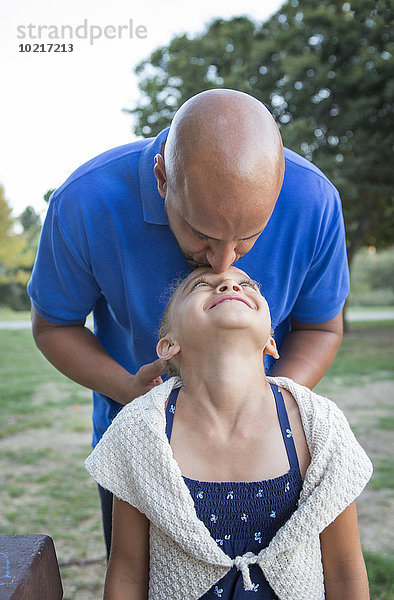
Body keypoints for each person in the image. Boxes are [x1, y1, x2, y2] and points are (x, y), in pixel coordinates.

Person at [28, 89, 350, 556]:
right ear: (162, 178)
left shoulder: (315, 201)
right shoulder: (84, 202)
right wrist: (126, 389)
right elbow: (54, 326)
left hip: (274, 452)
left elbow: (321, 328)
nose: (223, 266)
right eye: (202, 234)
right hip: (144, 449)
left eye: (248, 238)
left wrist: (272, 408)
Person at [85, 266, 372, 600]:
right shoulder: (140, 431)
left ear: (270, 341)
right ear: (167, 346)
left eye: (247, 284)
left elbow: (344, 573)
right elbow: (127, 574)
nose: (228, 284)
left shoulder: (320, 426)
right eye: (201, 285)